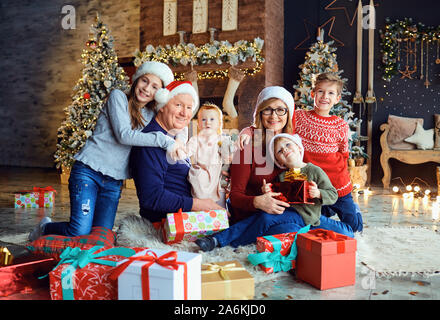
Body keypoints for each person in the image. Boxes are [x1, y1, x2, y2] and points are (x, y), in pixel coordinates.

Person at [29, 61, 186, 240]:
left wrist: (179, 139)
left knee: (101, 235)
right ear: (136, 80)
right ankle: (45, 227)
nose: (147, 88)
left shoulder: (151, 115)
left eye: (154, 86)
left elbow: (176, 123)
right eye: (144, 81)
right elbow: (123, 135)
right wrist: (164, 140)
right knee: (79, 230)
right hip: (88, 172)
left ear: (160, 93)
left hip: (113, 182)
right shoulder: (117, 97)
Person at [195, 134, 354, 251]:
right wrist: (268, 191)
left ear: (299, 148)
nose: (285, 150)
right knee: (264, 218)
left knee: (348, 233)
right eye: (279, 151)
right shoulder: (282, 176)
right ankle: (218, 241)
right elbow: (277, 196)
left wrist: (318, 193)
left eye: (288, 145)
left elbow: (332, 194)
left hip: (311, 218)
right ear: (280, 162)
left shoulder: (314, 170)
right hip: (289, 215)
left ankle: (226, 241)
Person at [129, 81, 223, 226]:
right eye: (178, 105)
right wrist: (198, 204)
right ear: (162, 107)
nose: (184, 113)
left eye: (189, 108)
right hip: (167, 223)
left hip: (188, 215)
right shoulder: (152, 141)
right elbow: (151, 197)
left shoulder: (173, 138)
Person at [294, 72, 363, 232]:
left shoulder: (340, 126)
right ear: (312, 94)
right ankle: (328, 210)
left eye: (331, 93)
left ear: (337, 98)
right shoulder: (299, 117)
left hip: (338, 184)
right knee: (313, 222)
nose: (325, 96)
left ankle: (355, 212)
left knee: (354, 228)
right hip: (312, 184)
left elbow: (343, 154)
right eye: (320, 91)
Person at [227, 86, 295, 224]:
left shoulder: (293, 145)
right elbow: (235, 197)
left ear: (288, 114)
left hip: (284, 214)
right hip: (253, 217)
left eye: (280, 110)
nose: (274, 116)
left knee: (340, 229)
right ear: (259, 113)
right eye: (267, 109)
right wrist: (258, 202)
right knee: (289, 229)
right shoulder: (247, 146)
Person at [174, 102, 236, 207]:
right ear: (198, 124)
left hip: (217, 175)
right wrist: (179, 151)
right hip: (202, 172)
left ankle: (220, 216)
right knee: (199, 181)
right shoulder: (196, 139)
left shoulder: (222, 139)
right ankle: (201, 212)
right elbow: (187, 151)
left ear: (219, 124)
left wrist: (230, 155)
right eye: (203, 119)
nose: (208, 122)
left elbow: (230, 154)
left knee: (220, 199)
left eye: (212, 119)